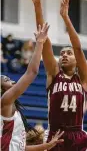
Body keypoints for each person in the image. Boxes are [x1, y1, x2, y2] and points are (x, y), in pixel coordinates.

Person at [24, 0, 87, 151]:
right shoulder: (54, 74)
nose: (64, 55)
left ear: (76, 60)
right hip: (55, 135)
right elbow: (44, 40)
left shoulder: (83, 79)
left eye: (69, 53)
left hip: (78, 136)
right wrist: (37, 5)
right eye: (63, 53)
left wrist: (66, 18)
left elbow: (78, 48)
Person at [1, 23, 64, 151]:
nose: (12, 80)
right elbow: (32, 72)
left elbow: (20, 147)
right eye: (6, 79)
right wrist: (40, 43)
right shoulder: (5, 100)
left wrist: (45, 146)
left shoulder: (12, 108)